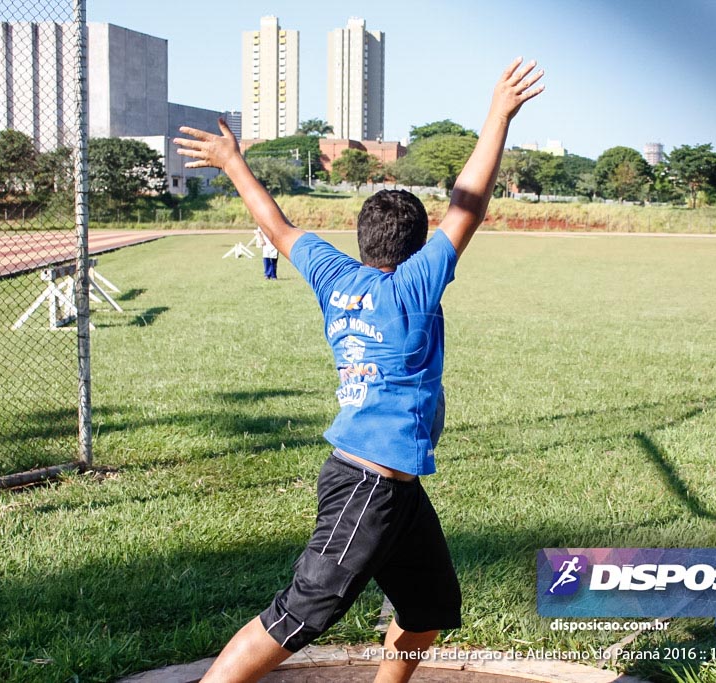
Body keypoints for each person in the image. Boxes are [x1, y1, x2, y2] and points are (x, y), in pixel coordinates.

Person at [174, 57, 544, 683]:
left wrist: (235, 163)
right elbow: (470, 206)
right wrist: (498, 114)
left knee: (428, 608)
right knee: (303, 613)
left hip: (396, 488)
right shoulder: (414, 289)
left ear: (362, 240)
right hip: (366, 484)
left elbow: (279, 226)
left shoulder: (335, 276)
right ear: (415, 249)